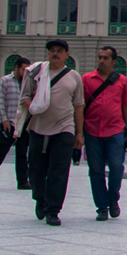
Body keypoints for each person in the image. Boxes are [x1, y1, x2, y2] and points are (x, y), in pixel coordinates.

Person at [21, 39, 85, 226]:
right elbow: (24, 97)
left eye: (59, 50)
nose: (55, 53)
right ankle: (40, 199)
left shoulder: (74, 77)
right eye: (52, 51)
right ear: (48, 54)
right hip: (38, 128)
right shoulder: (36, 74)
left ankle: (53, 210)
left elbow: (79, 106)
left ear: (67, 54)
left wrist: (79, 133)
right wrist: (35, 106)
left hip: (64, 128)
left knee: (59, 170)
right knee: (36, 169)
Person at [81, 46, 127, 222]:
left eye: (105, 58)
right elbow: (79, 107)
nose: (101, 61)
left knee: (116, 166)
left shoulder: (122, 81)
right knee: (95, 170)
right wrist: (78, 133)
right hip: (92, 131)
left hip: (115, 130)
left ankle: (113, 198)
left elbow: (125, 106)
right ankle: (102, 207)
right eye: (100, 57)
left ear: (114, 61)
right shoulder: (86, 80)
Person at [0, 57, 31, 190]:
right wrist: (3, 119)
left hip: (23, 123)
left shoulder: (28, 83)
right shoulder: (4, 81)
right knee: (1, 152)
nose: (26, 72)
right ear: (16, 67)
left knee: (22, 153)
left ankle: (22, 181)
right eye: (24, 69)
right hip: (9, 122)